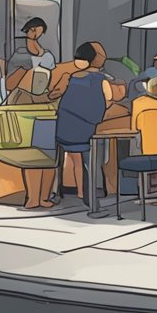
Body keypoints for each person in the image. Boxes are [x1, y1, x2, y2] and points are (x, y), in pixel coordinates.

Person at [55, 42, 116, 201]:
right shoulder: (100, 79)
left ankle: (80, 191)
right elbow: (109, 98)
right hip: (85, 128)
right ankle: (90, 192)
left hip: (65, 125)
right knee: (89, 159)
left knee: (75, 159)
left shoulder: (73, 77)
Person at [5, 17, 56, 104]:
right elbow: (9, 84)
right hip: (20, 95)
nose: (35, 33)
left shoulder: (47, 55)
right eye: (33, 30)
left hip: (40, 94)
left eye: (38, 31)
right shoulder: (20, 54)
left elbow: (50, 66)